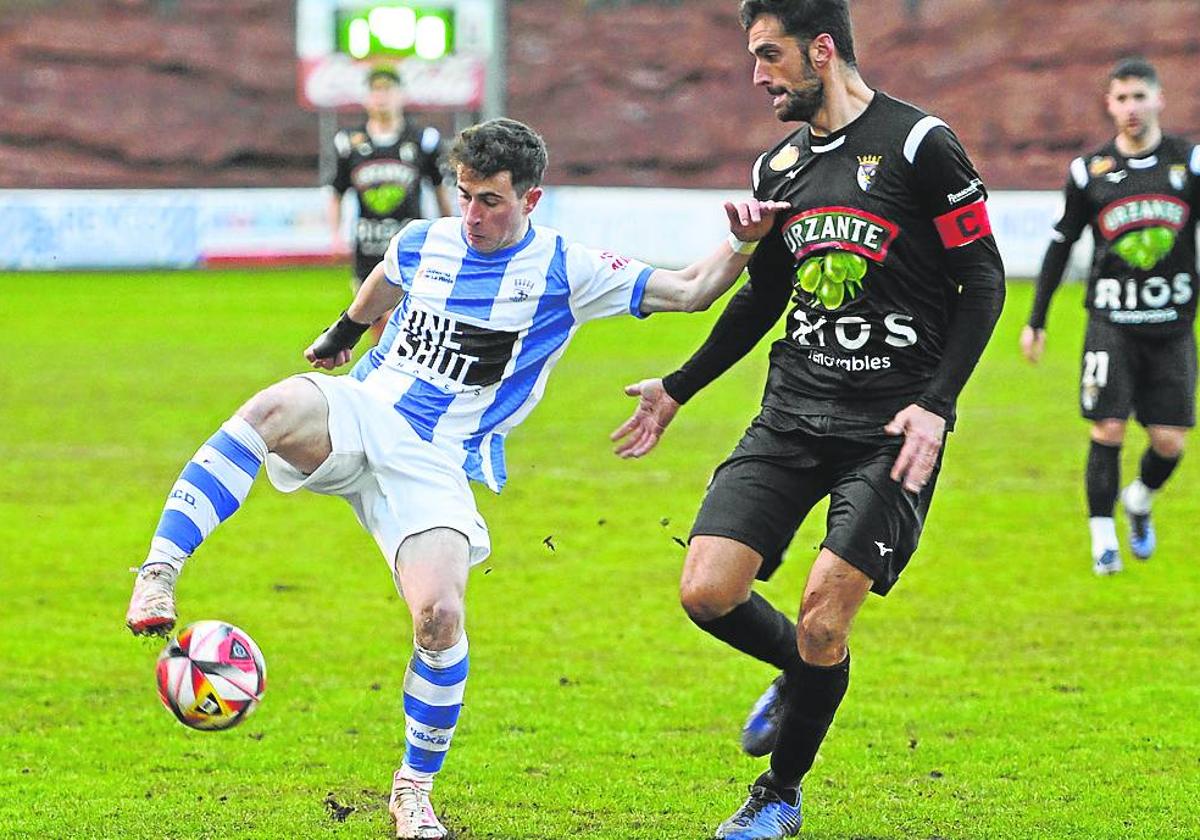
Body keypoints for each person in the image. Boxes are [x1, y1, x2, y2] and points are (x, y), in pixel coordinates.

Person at [125, 118, 788, 840]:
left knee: (439, 617)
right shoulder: (429, 237)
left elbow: (691, 290)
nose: (471, 216)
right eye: (464, 196)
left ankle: (412, 791)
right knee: (269, 408)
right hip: (363, 412)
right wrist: (343, 334)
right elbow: (388, 275)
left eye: (490, 202)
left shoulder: (567, 269)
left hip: (439, 464)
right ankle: (159, 571)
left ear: (531, 199)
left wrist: (744, 240)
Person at [611, 2, 1005, 837]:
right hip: (791, 414)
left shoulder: (919, 144)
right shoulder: (779, 166)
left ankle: (778, 794)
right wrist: (679, 387)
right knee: (707, 592)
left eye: (770, 56)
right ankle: (800, 673)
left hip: (892, 431)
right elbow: (764, 298)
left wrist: (936, 407)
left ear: (821, 51)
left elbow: (984, 278)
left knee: (826, 618)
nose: (759, 76)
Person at [1021, 58, 1199, 576]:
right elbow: (1061, 245)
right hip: (1111, 324)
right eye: (1121, 99)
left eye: (1139, 97)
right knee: (1108, 426)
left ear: (1159, 100)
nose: (1131, 108)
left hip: (1172, 327)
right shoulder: (1089, 172)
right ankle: (1103, 537)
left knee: (1170, 440)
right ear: (1109, 105)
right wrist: (1037, 318)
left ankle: (1139, 500)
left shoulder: (1187, 164)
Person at [328, 64, 454, 344]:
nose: (381, 98)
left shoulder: (422, 140)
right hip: (368, 246)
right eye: (375, 91)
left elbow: (437, 189)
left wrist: (451, 227)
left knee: (401, 321)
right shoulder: (349, 143)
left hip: (409, 244)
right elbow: (337, 192)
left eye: (387, 91)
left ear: (401, 95)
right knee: (374, 321)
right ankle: (385, 378)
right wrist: (335, 236)